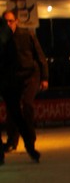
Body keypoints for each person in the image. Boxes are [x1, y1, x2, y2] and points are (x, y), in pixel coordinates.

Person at [2, 10, 48, 153]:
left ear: (16, 21)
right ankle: (12, 141)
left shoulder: (27, 34)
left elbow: (40, 57)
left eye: (10, 21)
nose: (8, 24)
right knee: (12, 108)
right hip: (14, 77)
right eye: (5, 22)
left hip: (31, 75)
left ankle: (30, 140)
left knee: (27, 104)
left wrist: (45, 78)